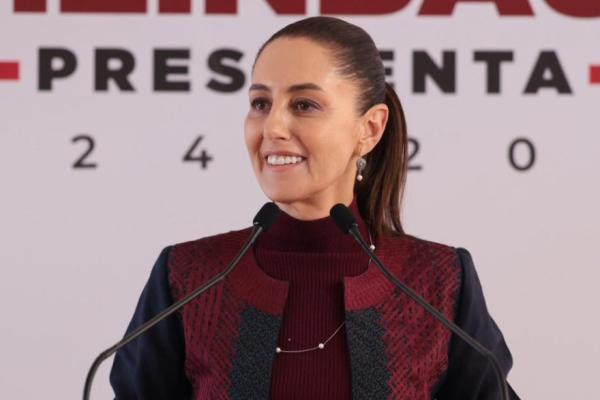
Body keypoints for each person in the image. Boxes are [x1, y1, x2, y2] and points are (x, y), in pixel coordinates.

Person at [110, 16, 520, 400]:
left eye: (304, 105)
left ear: (370, 128)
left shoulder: (439, 281)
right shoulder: (185, 276)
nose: (272, 128)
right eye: (260, 104)